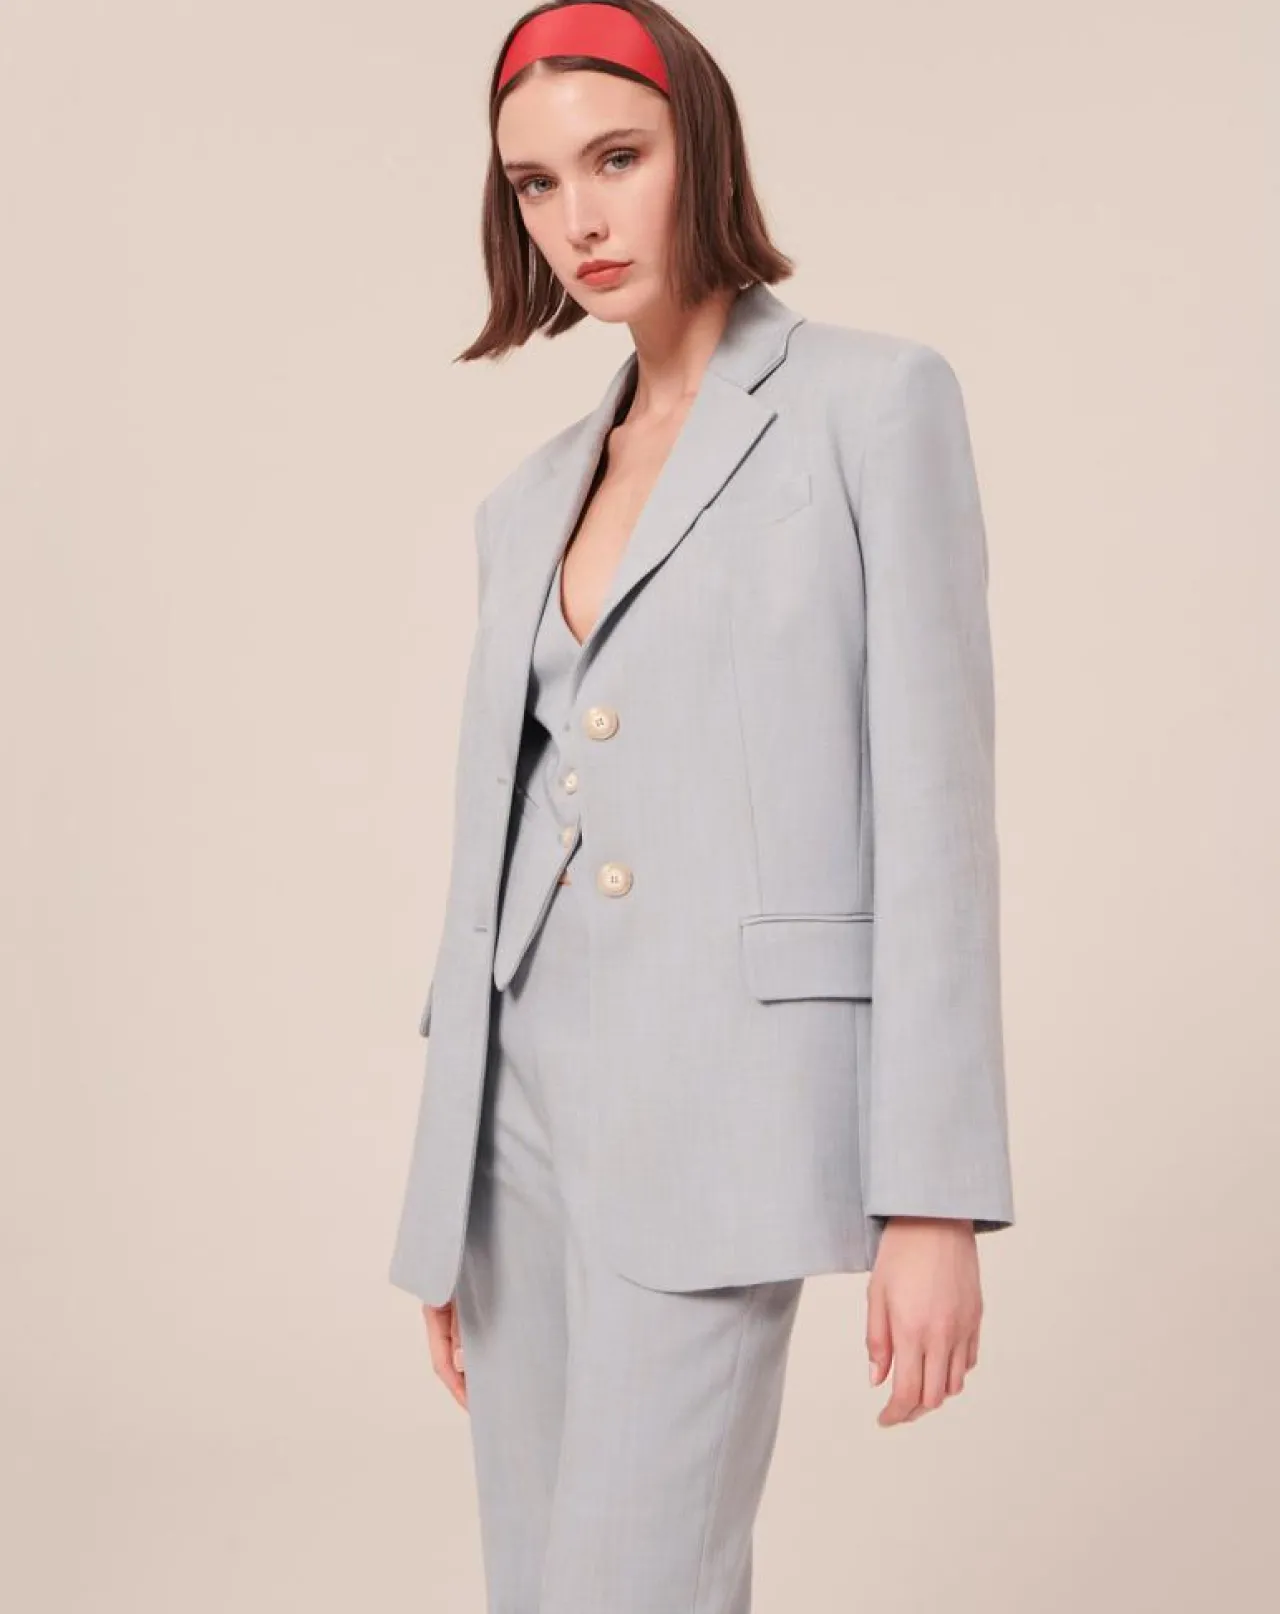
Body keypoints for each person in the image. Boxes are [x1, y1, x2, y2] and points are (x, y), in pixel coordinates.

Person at [387, 2, 1016, 1607]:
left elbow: (934, 809)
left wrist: (933, 1193)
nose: (578, 218)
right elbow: (498, 846)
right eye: (535, 184)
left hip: (724, 1107)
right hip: (516, 1127)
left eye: (617, 158)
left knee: (636, 1582)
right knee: (539, 1584)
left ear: (701, 150)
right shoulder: (527, 496)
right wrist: (447, 1194)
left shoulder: (873, 404)